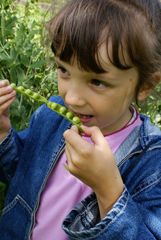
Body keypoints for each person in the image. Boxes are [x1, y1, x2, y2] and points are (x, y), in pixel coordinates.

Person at [0, 0, 161, 239]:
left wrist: (109, 190)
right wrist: (3, 134)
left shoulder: (151, 162)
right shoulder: (50, 116)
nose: (72, 99)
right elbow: (20, 174)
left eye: (97, 82)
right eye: (64, 70)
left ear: (144, 86)